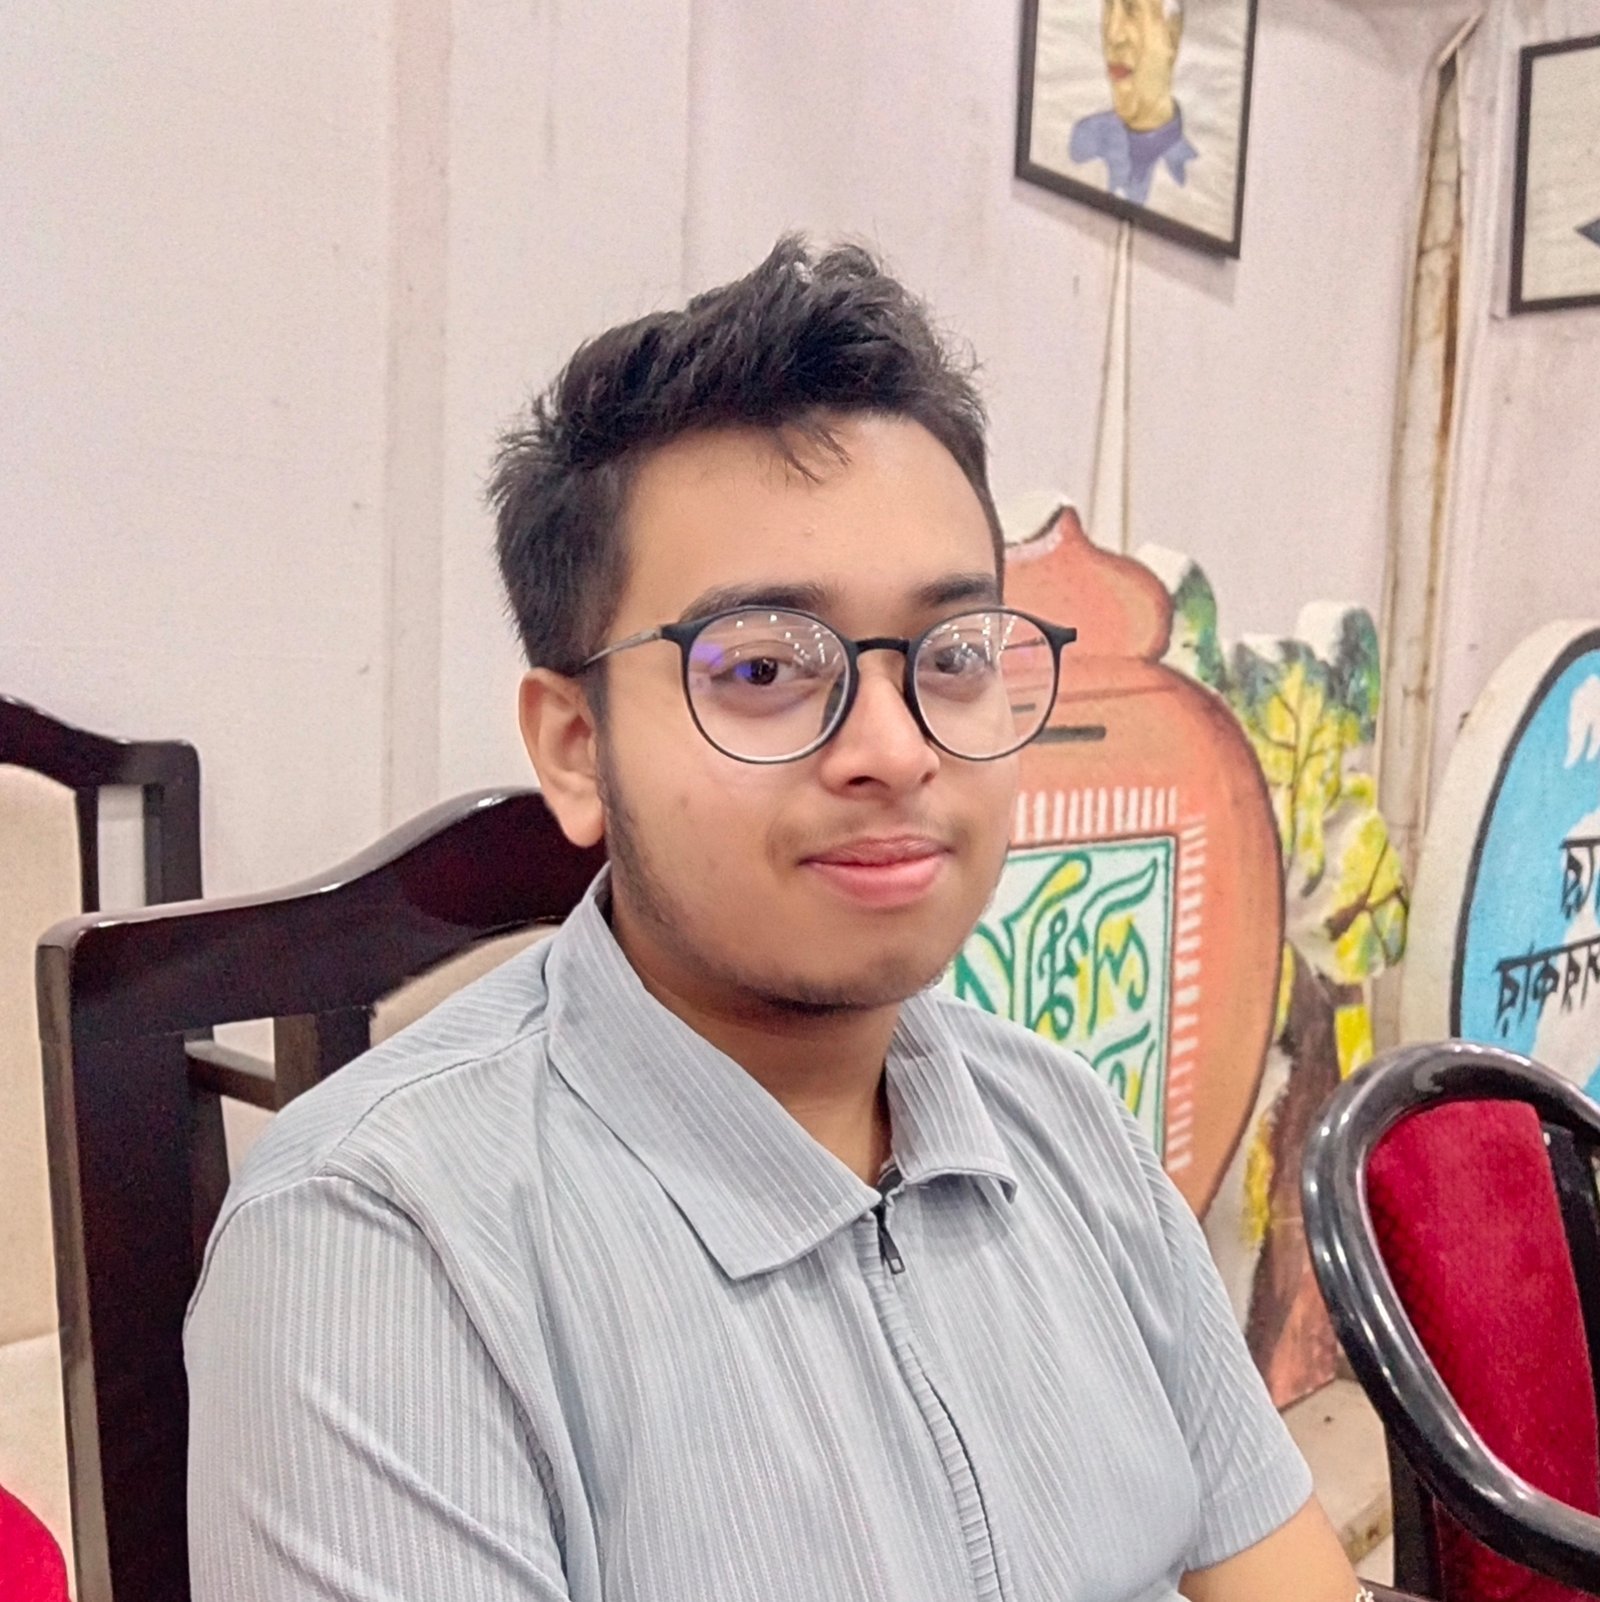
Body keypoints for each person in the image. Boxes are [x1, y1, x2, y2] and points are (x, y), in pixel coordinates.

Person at [185, 237, 1364, 1601]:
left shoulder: (1065, 1129)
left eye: (954, 655)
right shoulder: (385, 1249)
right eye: (761, 669)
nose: (897, 749)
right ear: (576, 746)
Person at [1070, 0, 1197, 205]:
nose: (1113, 35)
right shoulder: (1084, 139)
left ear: (1172, 36)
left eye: (1132, 9)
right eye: (1109, 6)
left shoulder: (1196, 180)